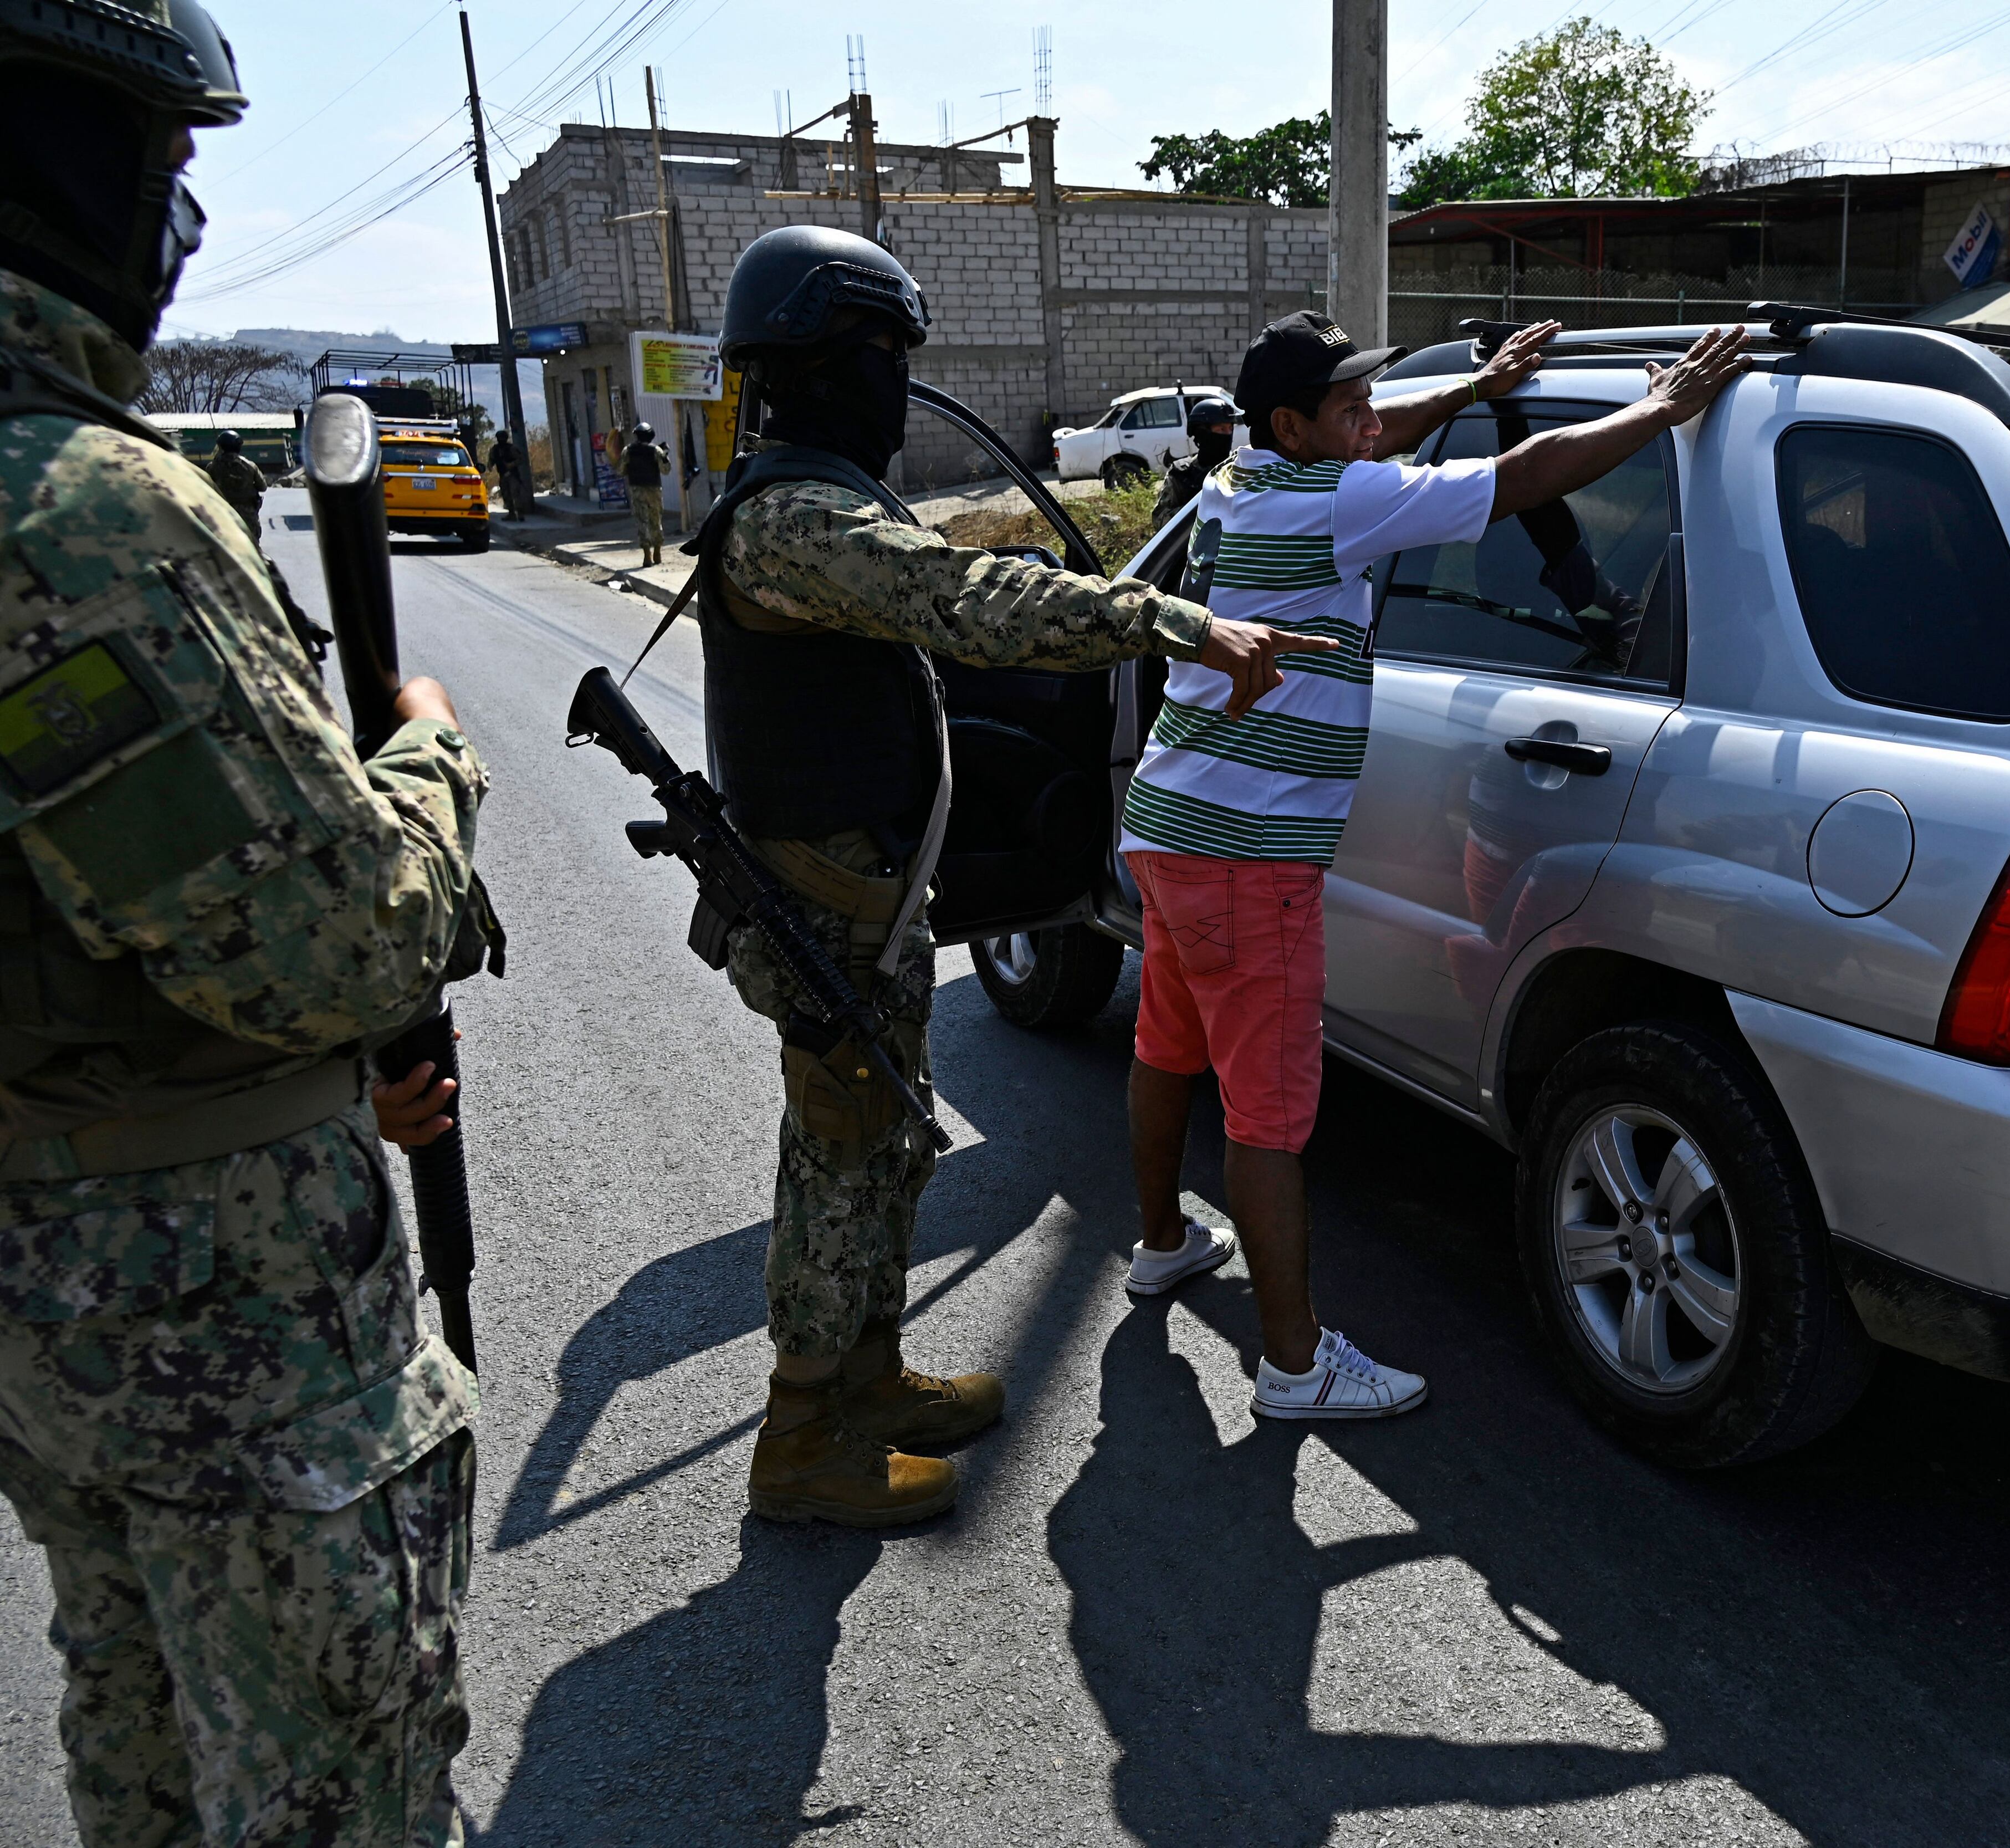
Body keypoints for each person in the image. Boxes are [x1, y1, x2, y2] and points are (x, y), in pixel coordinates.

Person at [0, 7, 490, 1844]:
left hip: (55, 1267)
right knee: (326, 1777)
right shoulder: (74, 506)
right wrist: (431, 763)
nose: (180, 224)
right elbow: (343, 947)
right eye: (167, 171)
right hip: (209, 1297)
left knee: (138, 1724)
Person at [693, 224, 1328, 1527]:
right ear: (822, 364)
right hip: (824, 894)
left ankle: (866, 1378)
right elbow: (970, 599)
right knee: (838, 1156)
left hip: (866, 888)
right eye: (884, 357)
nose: (898, 382)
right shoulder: (794, 521)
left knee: (884, 1148)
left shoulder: (817, 500)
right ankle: (804, 1436)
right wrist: (1171, 619)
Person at [1117, 309, 1745, 1418]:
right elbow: (1521, 476)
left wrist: (1471, 385)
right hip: (1249, 853)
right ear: (1292, 424)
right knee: (1266, 1112)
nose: (1372, 419)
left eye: (1372, 397)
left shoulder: (1237, 477)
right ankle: (1294, 1366)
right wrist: (1660, 409)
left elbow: (1384, 432)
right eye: (1348, 405)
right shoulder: (1343, 501)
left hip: (1170, 822)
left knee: (1169, 1045)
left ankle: (1162, 1241)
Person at [1153, 392, 1238, 523]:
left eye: (1230, 429)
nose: (1228, 435)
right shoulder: (1182, 474)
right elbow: (1160, 519)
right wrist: (1197, 512)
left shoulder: (1239, 467)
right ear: (1202, 433)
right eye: (1221, 429)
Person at [621, 417, 669, 566]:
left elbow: (621, 470)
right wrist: (665, 454)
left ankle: (647, 554)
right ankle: (658, 552)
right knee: (656, 520)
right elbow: (666, 470)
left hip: (637, 490)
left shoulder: (628, 451)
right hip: (654, 489)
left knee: (642, 521)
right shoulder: (656, 450)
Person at [202, 426, 264, 540]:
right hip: (248, 514)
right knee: (253, 544)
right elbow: (263, 487)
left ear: (221, 447)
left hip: (223, 512)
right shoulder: (250, 466)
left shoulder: (212, 467)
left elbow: (207, 488)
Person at [487, 426, 526, 519]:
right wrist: (490, 466)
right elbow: (491, 460)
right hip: (503, 475)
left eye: (502, 438)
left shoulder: (511, 448)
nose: (501, 440)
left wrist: (511, 465)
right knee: (506, 495)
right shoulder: (495, 449)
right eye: (499, 438)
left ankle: (520, 514)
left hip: (512, 474)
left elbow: (520, 459)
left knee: (515, 494)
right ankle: (511, 514)